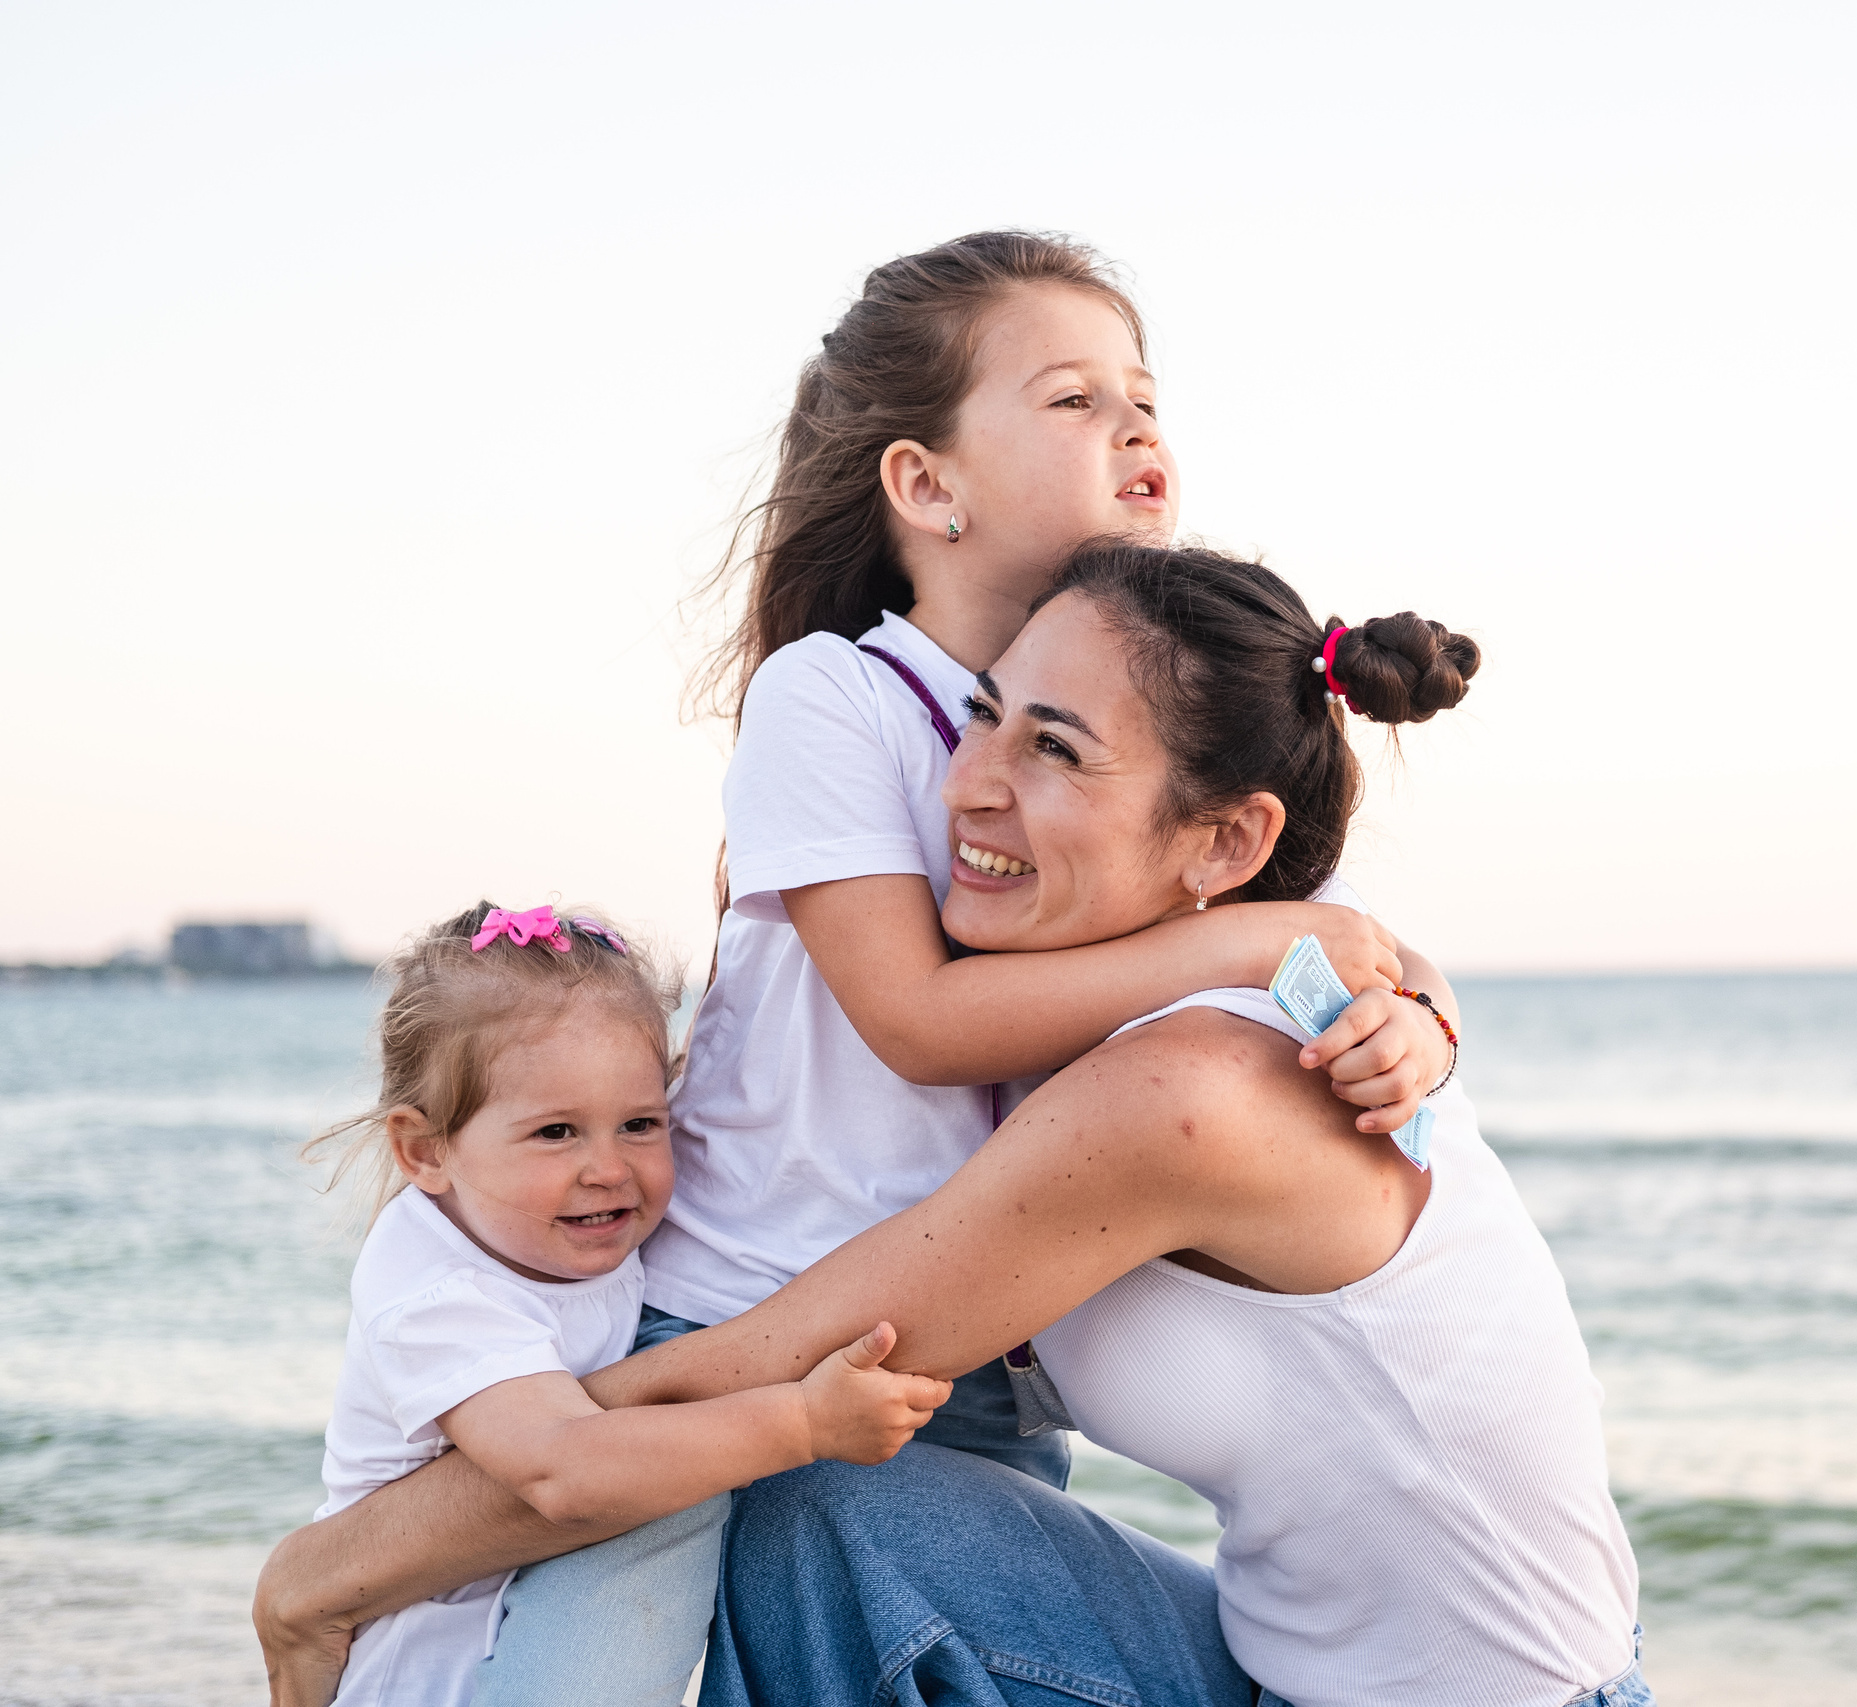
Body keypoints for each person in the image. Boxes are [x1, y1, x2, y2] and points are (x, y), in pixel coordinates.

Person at [255, 232, 1458, 1703]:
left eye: (1146, 397)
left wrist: (1411, 1024)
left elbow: (1328, 932)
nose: (1137, 427)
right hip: (738, 1312)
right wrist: (1254, 937)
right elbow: (917, 1016)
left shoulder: (1134, 737)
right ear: (925, 484)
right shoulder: (838, 692)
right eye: (1075, 399)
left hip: (968, 1359)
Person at [276, 544, 1649, 1707]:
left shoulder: (1193, 1088)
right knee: (822, 1494)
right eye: (984, 715)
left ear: (1226, 845)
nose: (965, 784)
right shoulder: (1145, 1009)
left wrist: (341, 1566)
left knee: (794, 1461)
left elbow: (768, 1367)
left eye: (1051, 747)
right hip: (1261, 1666)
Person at [299, 902, 949, 1707]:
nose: (609, 1167)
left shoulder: (560, 1224)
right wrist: (805, 1422)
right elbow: (561, 1466)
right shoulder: (435, 1288)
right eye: (556, 1133)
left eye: (640, 1122)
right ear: (426, 1149)